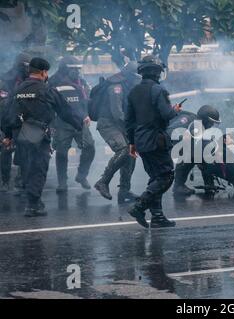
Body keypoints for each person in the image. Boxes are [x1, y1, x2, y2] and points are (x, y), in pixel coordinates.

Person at [2, 57, 83, 217]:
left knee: (26, 167)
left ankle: (34, 200)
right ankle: (33, 205)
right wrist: (79, 124)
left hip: (20, 136)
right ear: (44, 72)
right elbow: (65, 110)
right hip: (39, 136)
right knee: (39, 168)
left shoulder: (17, 90)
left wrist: (8, 135)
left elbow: (6, 114)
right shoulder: (46, 90)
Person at [125, 56, 182, 229]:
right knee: (166, 176)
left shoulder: (133, 92)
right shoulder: (158, 90)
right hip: (156, 139)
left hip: (141, 141)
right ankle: (139, 206)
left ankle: (157, 217)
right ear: (157, 72)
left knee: (155, 177)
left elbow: (129, 121)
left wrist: (132, 143)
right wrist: (175, 111)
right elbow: (166, 115)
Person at [94, 62, 141, 204]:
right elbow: (117, 113)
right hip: (108, 124)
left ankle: (124, 191)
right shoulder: (117, 87)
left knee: (131, 153)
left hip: (120, 125)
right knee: (124, 149)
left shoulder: (128, 86)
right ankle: (103, 182)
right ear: (131, 75)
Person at [49, 56, 95, 193]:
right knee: (62, 152)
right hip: (62, 122)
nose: (77, 72)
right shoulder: (53, 82)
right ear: (64, 69)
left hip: (80, 122)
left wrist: (86, 114)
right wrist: (51, 123)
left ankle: (82, 176)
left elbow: (86, 100)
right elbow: (49, 104)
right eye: (74, 69)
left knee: (90, 147)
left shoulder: (81, 82)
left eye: (78, 69)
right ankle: (62, 182)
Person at [169, 105, 221, 197]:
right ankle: (178, 185)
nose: (212, 125)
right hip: (165, 141)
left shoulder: (193, 119)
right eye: (211, 122)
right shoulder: (194, 125)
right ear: (205, 119)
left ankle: (208, 183)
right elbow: (171, 132)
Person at [0, 52, 31, 193]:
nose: (28, 69)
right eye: (26, 66)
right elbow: (3, 105)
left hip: (24, 121)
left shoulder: (31, 80)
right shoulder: (6, 80)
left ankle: (21, 180)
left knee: (24, 151)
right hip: (6, 120)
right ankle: (5, 181)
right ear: (19, 66)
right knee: (6, 151)